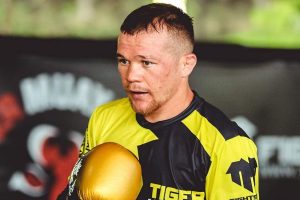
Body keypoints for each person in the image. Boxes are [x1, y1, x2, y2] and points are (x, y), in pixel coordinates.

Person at [58, 3, 259, 200]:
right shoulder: (105, 118)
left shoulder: (227, 144)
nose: (132, 76)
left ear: (186, 65)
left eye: (147, 62)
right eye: (123, 61)